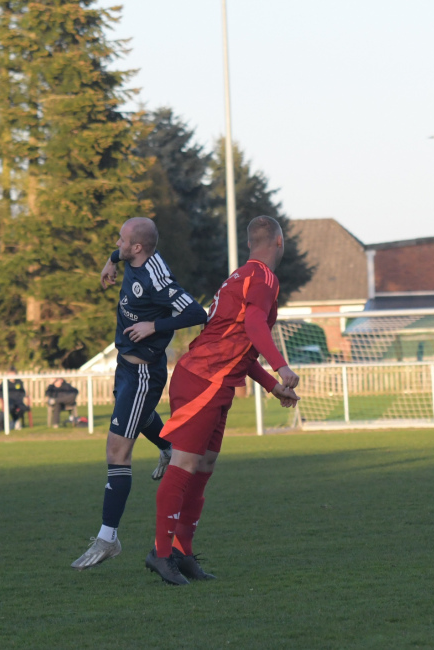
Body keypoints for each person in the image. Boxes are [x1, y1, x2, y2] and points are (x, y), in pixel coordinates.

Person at [145, 216, 301, 585]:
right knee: (183, 465)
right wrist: (281, 367)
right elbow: (254, 327)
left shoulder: (241, 275)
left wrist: (269, 384)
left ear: (251, 243)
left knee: (202, 470)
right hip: (203, 379)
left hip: (216, 382)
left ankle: (182, 553)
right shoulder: (263, 278)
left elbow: (237, 343)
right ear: (279, 241)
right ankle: (160, 553)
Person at [71, 217, 207, 571]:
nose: (117, 243)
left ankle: (108, 538)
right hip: (126, 365)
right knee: (138, 416)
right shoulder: (131, 256)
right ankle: (166, 448)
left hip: (144, 372)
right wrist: (110, 260)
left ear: (138, 248)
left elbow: (197, 312)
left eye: (122, 240)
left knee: (117, 452)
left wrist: (155, 325)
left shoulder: (156, 277)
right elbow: (120, 251)